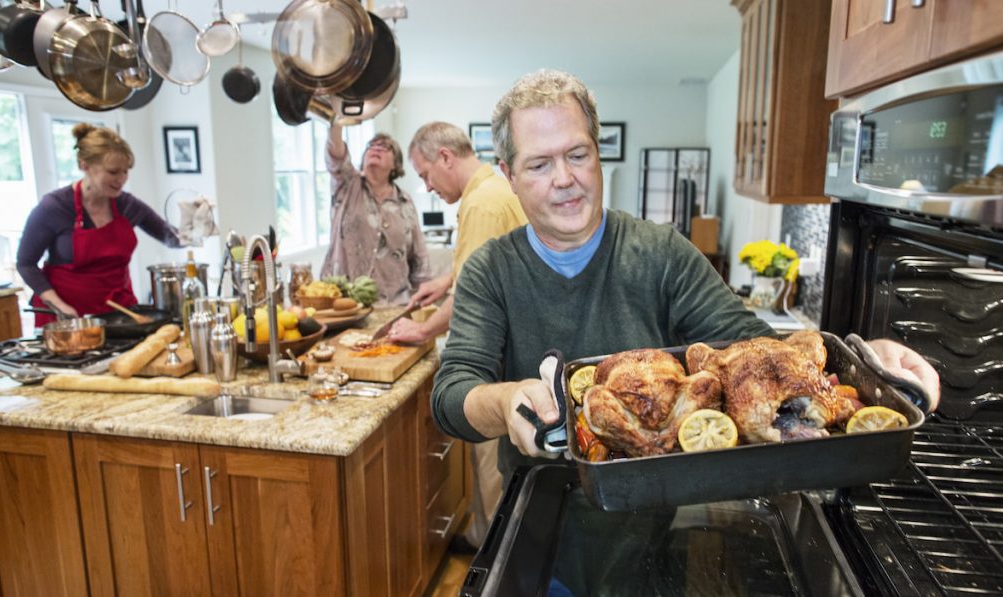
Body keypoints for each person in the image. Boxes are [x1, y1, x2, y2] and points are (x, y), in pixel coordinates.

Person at [430, 69, 942, 481]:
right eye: (540, 165)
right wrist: (504, 400)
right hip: (536, 506)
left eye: (578, 155)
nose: (564, 179)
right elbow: (452, 395)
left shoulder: (661, 252)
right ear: (509, 175)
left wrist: (867, 363)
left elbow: (752, 346)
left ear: (598, 153)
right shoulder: (491, 269)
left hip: (654, 507)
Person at [388, 121, 528, 549]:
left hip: (497, 354)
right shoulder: (489, 191)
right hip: (510, 345)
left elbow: (474, 293)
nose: (427, 186)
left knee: (491, 466)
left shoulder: (482, 202)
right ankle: (482, 537)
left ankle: (500, 563)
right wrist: (445, 281)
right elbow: (484, 263)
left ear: (446, 157)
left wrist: (424, 328)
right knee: (487, 460)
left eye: (427, 174)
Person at [17, 124, 181, 327]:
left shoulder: (127, 204)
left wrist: (197, 226)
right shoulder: (55, 207)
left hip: (119, 314)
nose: (121, 180)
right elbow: (25, 263)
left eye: (125, 172)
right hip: (68, 319)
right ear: (84, 165)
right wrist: (58, 304)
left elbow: (171, 237)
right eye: (113, 172)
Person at [320, 123, 430, 306]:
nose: (376, 148)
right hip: (344, 304)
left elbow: (419, 257)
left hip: (394, 304)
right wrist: (335, 121)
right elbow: (336, 155)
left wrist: (425, 302)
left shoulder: (405, 201)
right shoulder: (347, 186)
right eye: (371, 145)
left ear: (396, 164)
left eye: (386, 147)